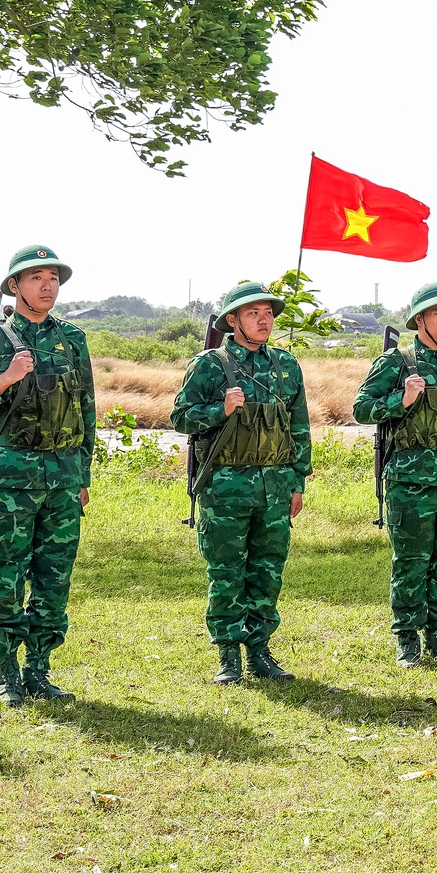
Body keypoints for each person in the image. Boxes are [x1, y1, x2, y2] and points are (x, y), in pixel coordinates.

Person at [0, 245, 95, 706]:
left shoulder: (72, 339)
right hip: (10, 478)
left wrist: (83, 474)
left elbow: (85, 410)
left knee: (55, 577)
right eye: (36, 278)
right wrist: (4, 380)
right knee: (6, 574)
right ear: (15, 287)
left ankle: (39, 669)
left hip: (64, 476)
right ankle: (7, 671)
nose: (47, 285)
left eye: (53, 278)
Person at [171, 280, 311, 683]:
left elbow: (298, 426)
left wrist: (298, 480)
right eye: (253, 313)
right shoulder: (209, 365)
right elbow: (181, 417)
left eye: (268, 313)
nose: (263, 319)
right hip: (225, 487)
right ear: (232, 321)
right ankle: (228, 656)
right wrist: (220, 409)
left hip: (275, 487)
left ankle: (260, 651)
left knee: (268, 571)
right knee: (227, 571)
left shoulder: (287, 364)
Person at [352, 282, 437, 667]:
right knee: (411, 561)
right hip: (410, 482)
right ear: (420, 319)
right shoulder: (398, 363)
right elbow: (362, 409)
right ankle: (407, 639)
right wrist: (401, 399)